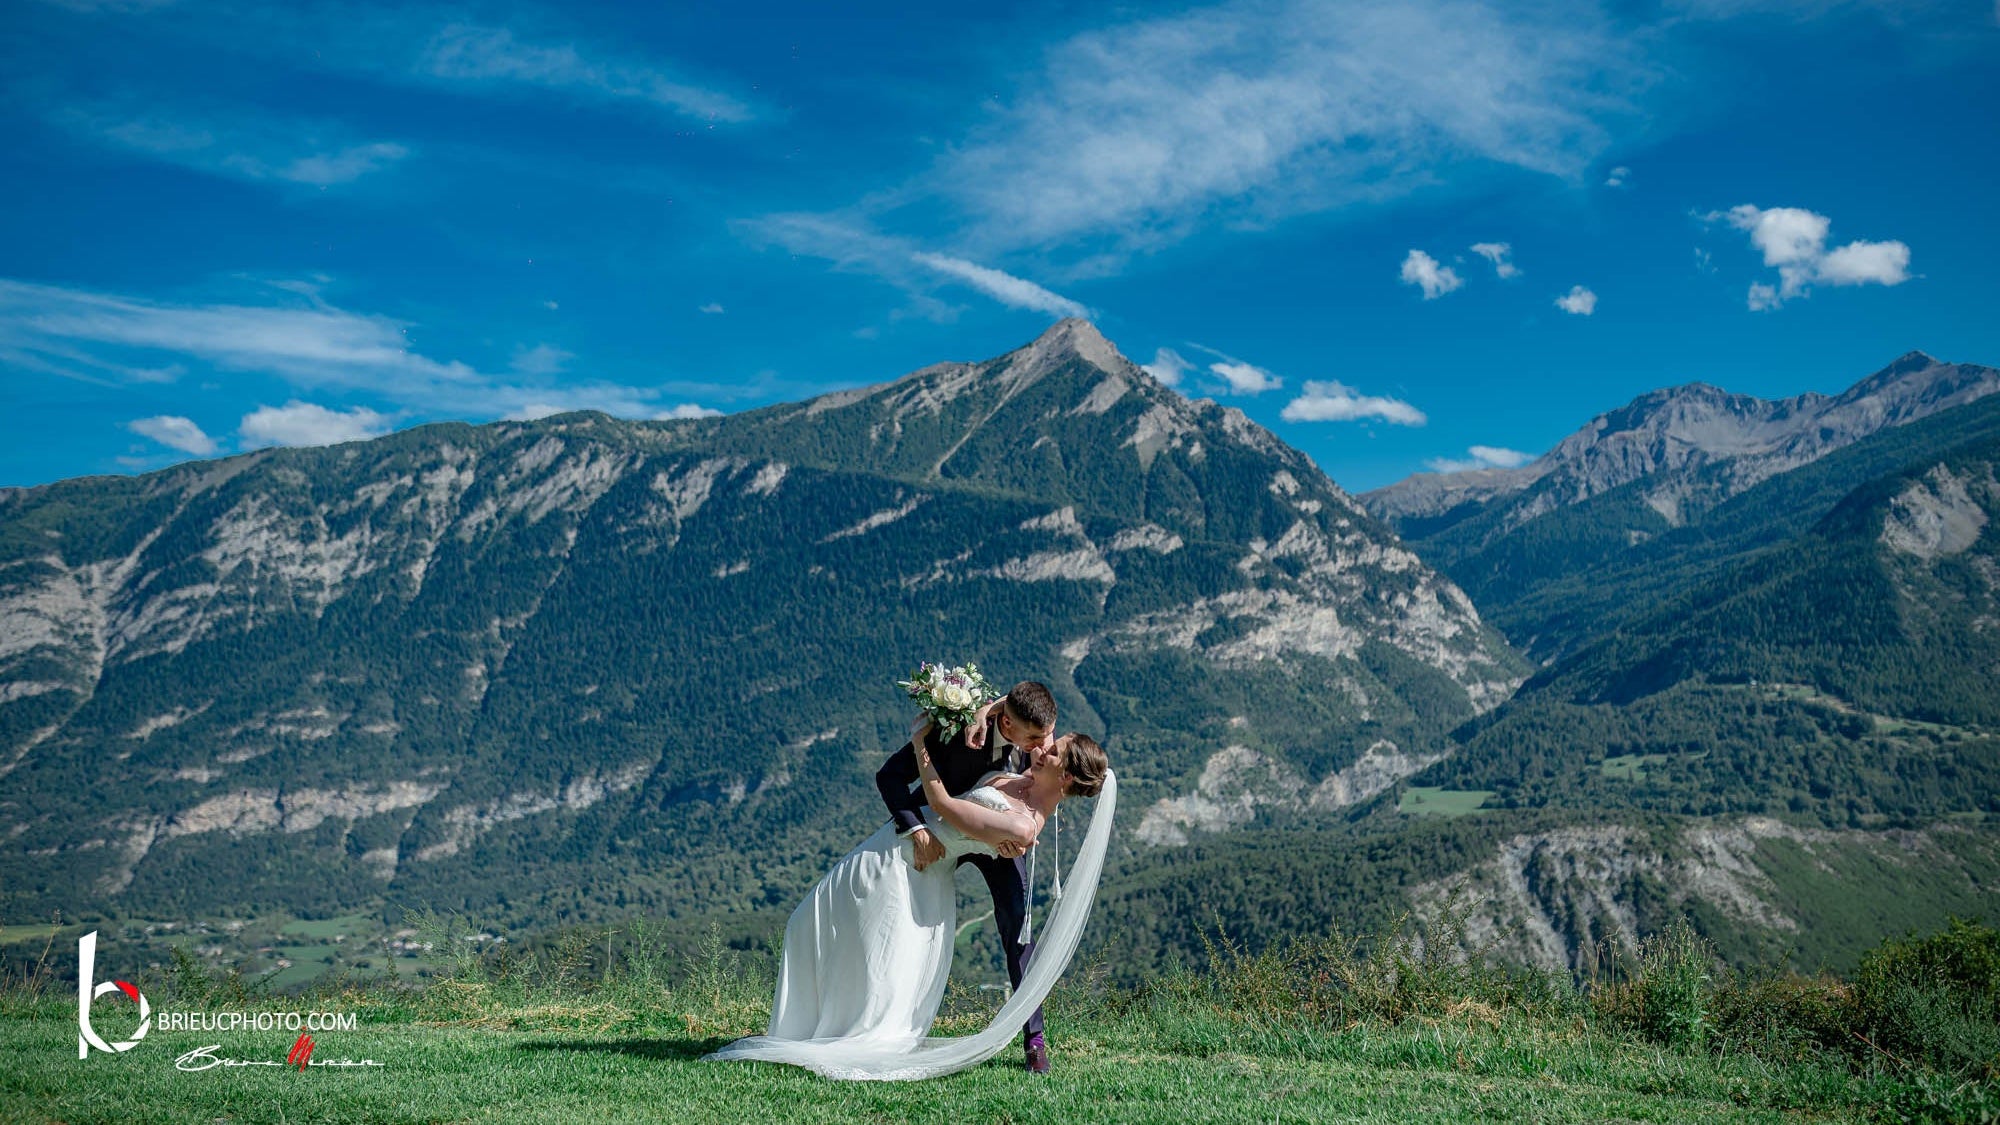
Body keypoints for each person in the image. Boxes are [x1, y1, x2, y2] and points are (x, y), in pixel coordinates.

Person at [702, 728, 1113, 1082]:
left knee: (989, 935)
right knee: (845, 938)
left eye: (1052, 751)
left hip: (915, 860)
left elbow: (942, 805)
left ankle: (1029, 1039)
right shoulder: (1027, 769)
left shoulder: (1022, 827)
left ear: (1066, 777)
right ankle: (820, 1026)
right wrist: (984, 710)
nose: (1040, 747)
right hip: (909, 856)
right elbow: (1029, 713)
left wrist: (921, 745)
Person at [875, 682, 1058, 1071]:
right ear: (1007, 725)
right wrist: (917, 830)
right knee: (906, 920)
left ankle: (1035, 1039)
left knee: (1019, 928)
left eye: (1046, 736)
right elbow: (888, 776)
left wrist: (1023, 836)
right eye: (1034, 739)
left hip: (999, 844)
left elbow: (1047, 787)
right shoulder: (955, 733)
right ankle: (889, 1024)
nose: (1043, 748)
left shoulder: (1031, 728)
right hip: (941, 836)